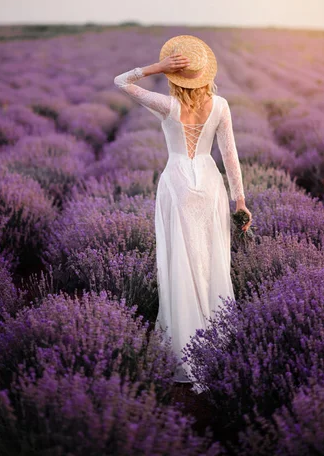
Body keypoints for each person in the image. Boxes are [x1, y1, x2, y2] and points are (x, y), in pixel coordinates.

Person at [114, 34, 252, 393]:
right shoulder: (220, 105)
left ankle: (185, 351)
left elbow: (121, 82)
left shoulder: (167, 104)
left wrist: (155, 68)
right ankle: (216, 346)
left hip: (176, 184)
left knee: (180, 261)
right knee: (213, 261)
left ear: (177, 75)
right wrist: (240, 201)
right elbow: (231, 156)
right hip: (209, 185)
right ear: (206, 73)